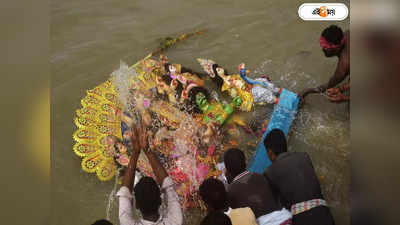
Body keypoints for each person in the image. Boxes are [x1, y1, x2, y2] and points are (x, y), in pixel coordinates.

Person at [263, 129, 335, 225]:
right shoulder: (304, 156)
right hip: (325, 213)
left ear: (270, 152)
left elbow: (277, 206)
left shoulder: (269, 172)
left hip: (303, 219)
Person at [116, 122, 183, 225]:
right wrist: (147, 150)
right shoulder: (175, 221)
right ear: (160, 201)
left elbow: (124, 193)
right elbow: (168, 186)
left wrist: (135, 152)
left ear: (137, 205)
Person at [223, 148, 292, 225]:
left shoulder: (231, 191)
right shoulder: (260, 176)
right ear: (245, 162)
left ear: (227, 170)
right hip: (286, 218)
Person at [298, 25, 350, 103]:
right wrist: (341, 88)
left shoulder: (343, 66)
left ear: (336, 48)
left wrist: (308, 91)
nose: (323, 50)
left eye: (326, 48)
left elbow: (329, 85)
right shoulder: (347, 34)